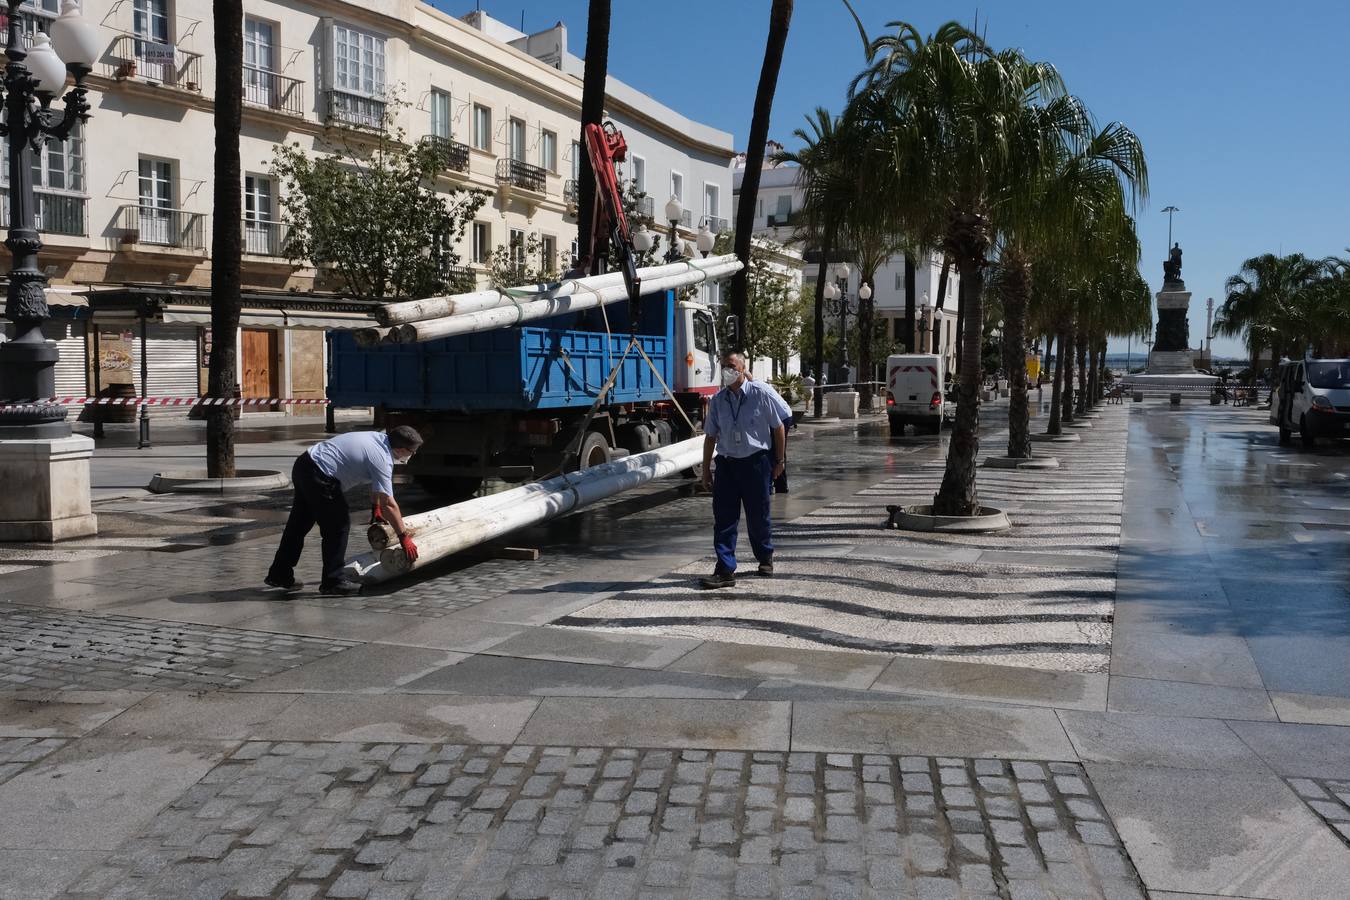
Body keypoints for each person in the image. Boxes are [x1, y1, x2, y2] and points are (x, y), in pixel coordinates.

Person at [266, 425, 423, 596]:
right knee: (338, 526)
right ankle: (333, 582)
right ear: (400, 449)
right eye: (412, 451)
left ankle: (279, 573)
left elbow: (378, 487)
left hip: (305, 464)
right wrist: (403, 536)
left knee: (299, 524)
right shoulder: (382, 458)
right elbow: (390, 504)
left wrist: (375, 507)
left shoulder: (377, 439)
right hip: (321, 476)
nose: (413, 455)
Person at [699, 351, 786, 589]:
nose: (728, 370)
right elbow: (710, 437)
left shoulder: (760, 394)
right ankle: (725, 569)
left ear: (742, 368)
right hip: (726, 464)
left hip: (756, 463)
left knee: (758, 517)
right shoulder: (717, 400)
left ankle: (765, 556)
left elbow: (778, 428)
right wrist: (706, 470)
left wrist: (779, 461)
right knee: (724, 518)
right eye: (724, 366)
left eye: (732, 366)